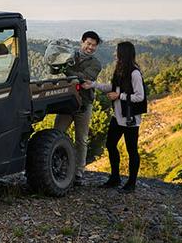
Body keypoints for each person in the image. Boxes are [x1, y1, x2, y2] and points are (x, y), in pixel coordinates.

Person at [82, 41, 145, 193]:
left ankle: (131, 183)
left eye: (117, 52)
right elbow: (112, 87)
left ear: (123, 54)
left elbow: (140, 96)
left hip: (130, 118)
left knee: (132, 150)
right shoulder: (120, 70)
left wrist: (120, 96)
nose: (115, 54)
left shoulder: (134, 73)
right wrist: (93, 85)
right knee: (110, 145)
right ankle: (115, 178)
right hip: (117, 117)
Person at [53, 31, 102, 186]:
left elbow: (84, 78)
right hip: (66, 102)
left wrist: (66, 69)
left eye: (94, 45)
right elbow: (55, 66)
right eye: (88, 44)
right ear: (82, 42)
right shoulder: (70, 55)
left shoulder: (96, 64)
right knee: (57, 134)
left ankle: (79, 172)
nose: (90, 47)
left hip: (84, 104)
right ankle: (55, 166)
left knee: (81, 140)